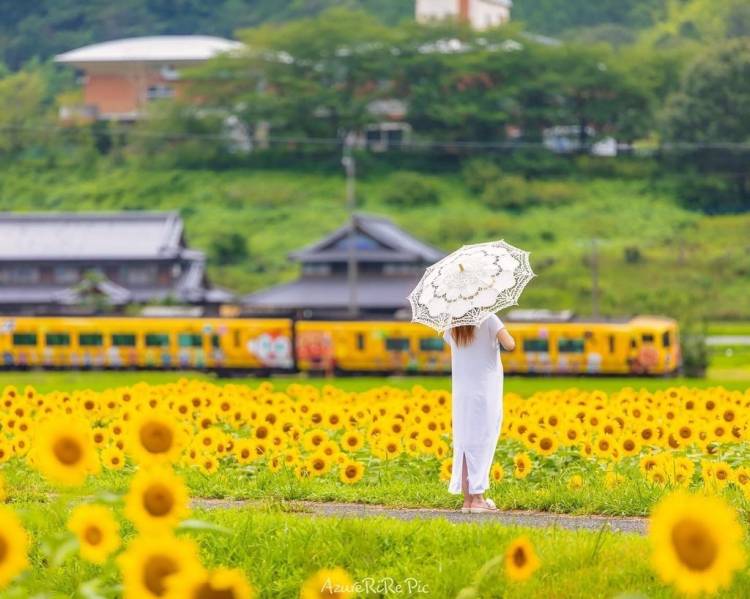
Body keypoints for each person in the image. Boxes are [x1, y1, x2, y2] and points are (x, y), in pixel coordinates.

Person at [443, 313, 515, 513]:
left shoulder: (453, 324)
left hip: (462, 393)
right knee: (483, 441)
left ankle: (468, 500)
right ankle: (478, 499)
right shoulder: (490, 319)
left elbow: (457, 345)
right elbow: (510, 344)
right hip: (485, 391)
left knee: (464, 443)